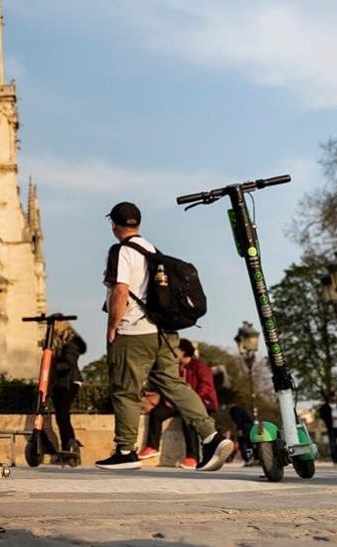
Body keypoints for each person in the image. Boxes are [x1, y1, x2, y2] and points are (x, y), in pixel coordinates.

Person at [96, 201, 233, 471]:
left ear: (113, 224)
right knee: (175, 385)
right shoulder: (151, 250)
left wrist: (113, 325)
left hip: (134, 332)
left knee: (125, 390)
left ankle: (125, 451)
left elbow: (120, 291)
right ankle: (211, 436)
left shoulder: (121, 251)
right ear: (138, 223)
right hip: (164, 333)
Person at [141, 339, 218, 469]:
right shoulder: (176, 368)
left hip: (201, 403)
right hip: (177, 403)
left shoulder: (200, 367)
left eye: (175, 349)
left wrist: (190, 399)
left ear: (183, 351)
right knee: (157, 413)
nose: (173, 352)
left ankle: (192, 457)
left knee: (188, 420)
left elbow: (205, 387)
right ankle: (152, 446)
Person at [50, 320, 86, 454]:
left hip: (69, 382)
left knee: (63, 414)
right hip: (59, 383)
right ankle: (68, 444)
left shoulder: (71, 341)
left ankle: (70, 443)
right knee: (61, 416)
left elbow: (69, 363)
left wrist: (53, 366)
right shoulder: (58, 342)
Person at [318, 393, 337, 466]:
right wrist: (330, 418)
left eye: (335, 397)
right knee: (333, 445)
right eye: (332, 397)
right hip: (331, 428)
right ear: (329, 398)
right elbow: (322, 416)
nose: (334, 398)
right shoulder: (325, 407)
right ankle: (335, 461)